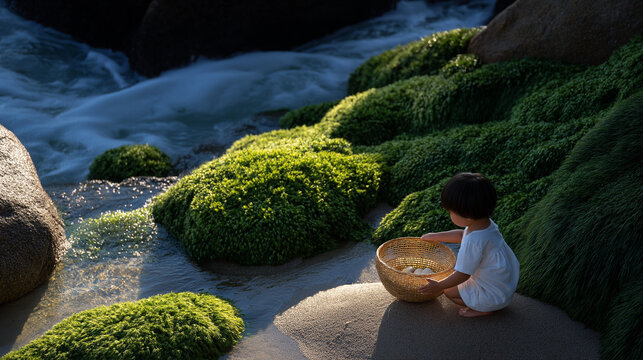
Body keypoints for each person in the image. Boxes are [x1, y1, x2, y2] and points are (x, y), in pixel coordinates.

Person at [418, 172, 520, 317]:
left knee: (448, 292)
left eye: (451, 212)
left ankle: (484, 308)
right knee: (452, 284)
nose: (449, 214)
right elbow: (462, 235)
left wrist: (439, 286)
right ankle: (488, 302)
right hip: (502, 286)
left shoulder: (474, 241)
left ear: (468, 216)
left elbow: (462, 274)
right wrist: (435, 236)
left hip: (493, 294)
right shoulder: (485, 225)